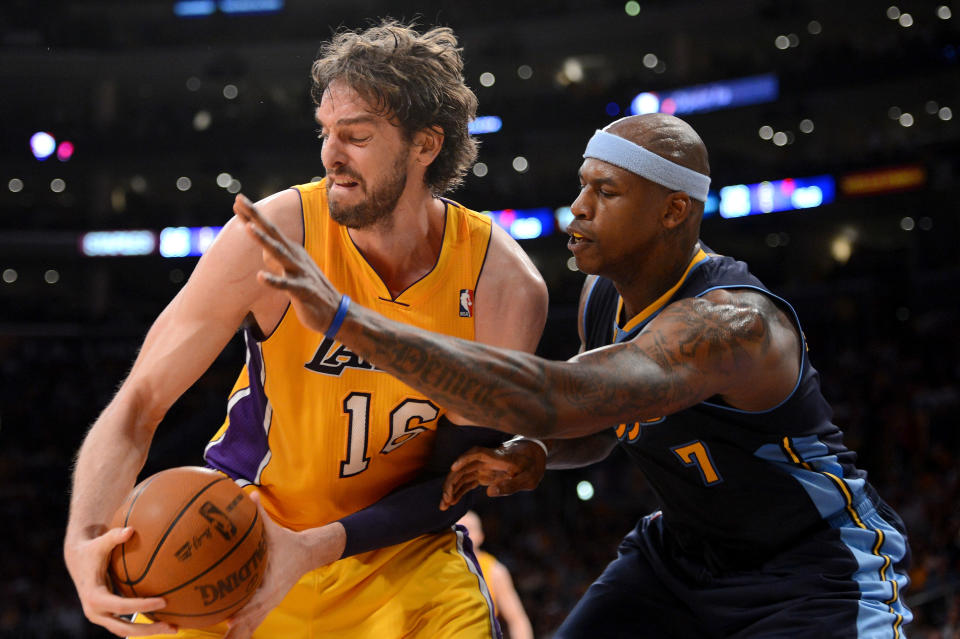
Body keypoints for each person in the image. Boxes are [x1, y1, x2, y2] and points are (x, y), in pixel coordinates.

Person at [235, 112, 914, 638]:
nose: (578, 208)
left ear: (673, 211)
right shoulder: (604, 296)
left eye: (606, 191)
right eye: (582, 185)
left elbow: (554, 397)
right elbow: (602, 423)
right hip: (678, 556)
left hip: (810, 571)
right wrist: (535, 452)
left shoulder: (731, 327)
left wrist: (350, 321)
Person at [63, 20, 548, 639]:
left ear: (426, 145)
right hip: (244, 540)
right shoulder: (276, 235)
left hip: (401, 555)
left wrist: (319, 547)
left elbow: (451, 485)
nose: (331, 155)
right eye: (326, 133)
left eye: (358, 136)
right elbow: (139, 404)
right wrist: (84, 538)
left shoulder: (502, 287)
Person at [457, 511, 535, 639]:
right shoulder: (438, 567)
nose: (463, 534)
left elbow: (517, 619)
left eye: (468, 529)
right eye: (458, 529)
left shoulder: (495, 571)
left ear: (481, 536)